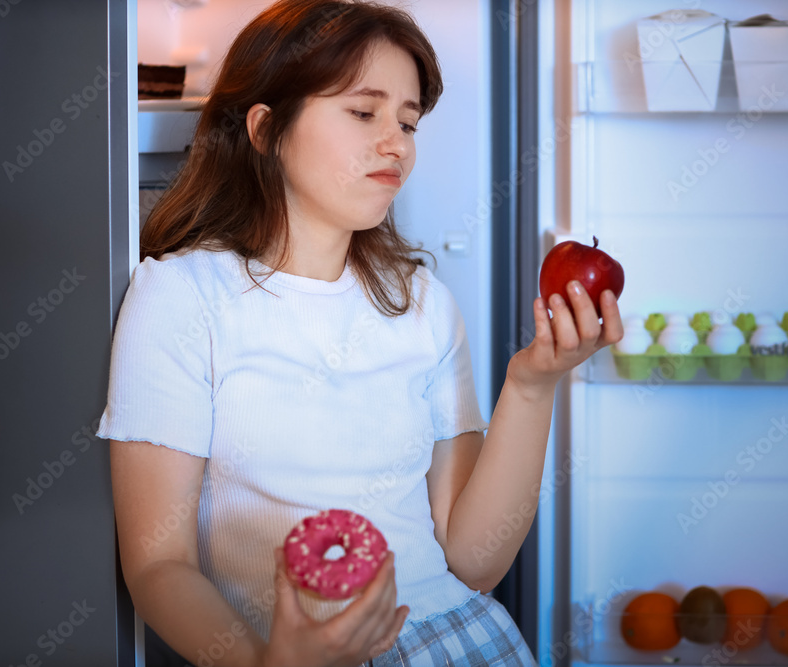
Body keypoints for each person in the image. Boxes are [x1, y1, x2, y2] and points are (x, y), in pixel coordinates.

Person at [98, 1, 623, 665]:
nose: (397, 142)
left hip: (464, 637)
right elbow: (157, 566)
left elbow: (473, 562)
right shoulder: (180, 298)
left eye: (407, 121)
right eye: (363, 111)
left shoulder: (423, 302)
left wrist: (533, 384)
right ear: (265, 129)